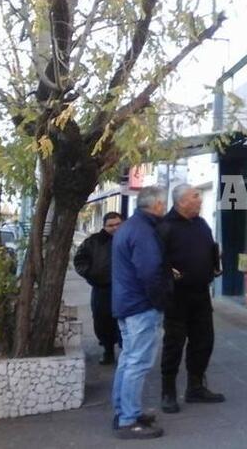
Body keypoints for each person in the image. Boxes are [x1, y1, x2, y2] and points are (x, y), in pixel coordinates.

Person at [158, 183, 224, 414]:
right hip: (176, 296)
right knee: (174, 344)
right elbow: (158, 261)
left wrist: (214, 264)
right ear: (182, 201)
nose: (200, 199)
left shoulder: (202, 224)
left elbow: (208, 248)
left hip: (201, 294)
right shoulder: (165, 227)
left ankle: (195, 388)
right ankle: (168, 392)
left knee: (204, 341)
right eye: (195, 196)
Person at [111, 187, 170, 439]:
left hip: (127, 303)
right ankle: (128, 419)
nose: (165, 207)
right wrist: (160, 301)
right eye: (163, 203)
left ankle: (124, 410)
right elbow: (149, 272)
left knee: (128, 360)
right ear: (156, 204)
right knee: (137, 362)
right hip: (140, 306)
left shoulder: (129, 227)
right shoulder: (144, 231)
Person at [74, 212, 123, 365]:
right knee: (102, 321)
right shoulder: (93, 241)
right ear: (104, 226)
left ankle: (125, 352)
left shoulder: (128, 239)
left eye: (118, 224)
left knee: (123, 321)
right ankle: (107, 350)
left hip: (125, 289)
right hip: (102, 289)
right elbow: (79, 260)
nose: (115, 228)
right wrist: (91, 274)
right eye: (111, 225)